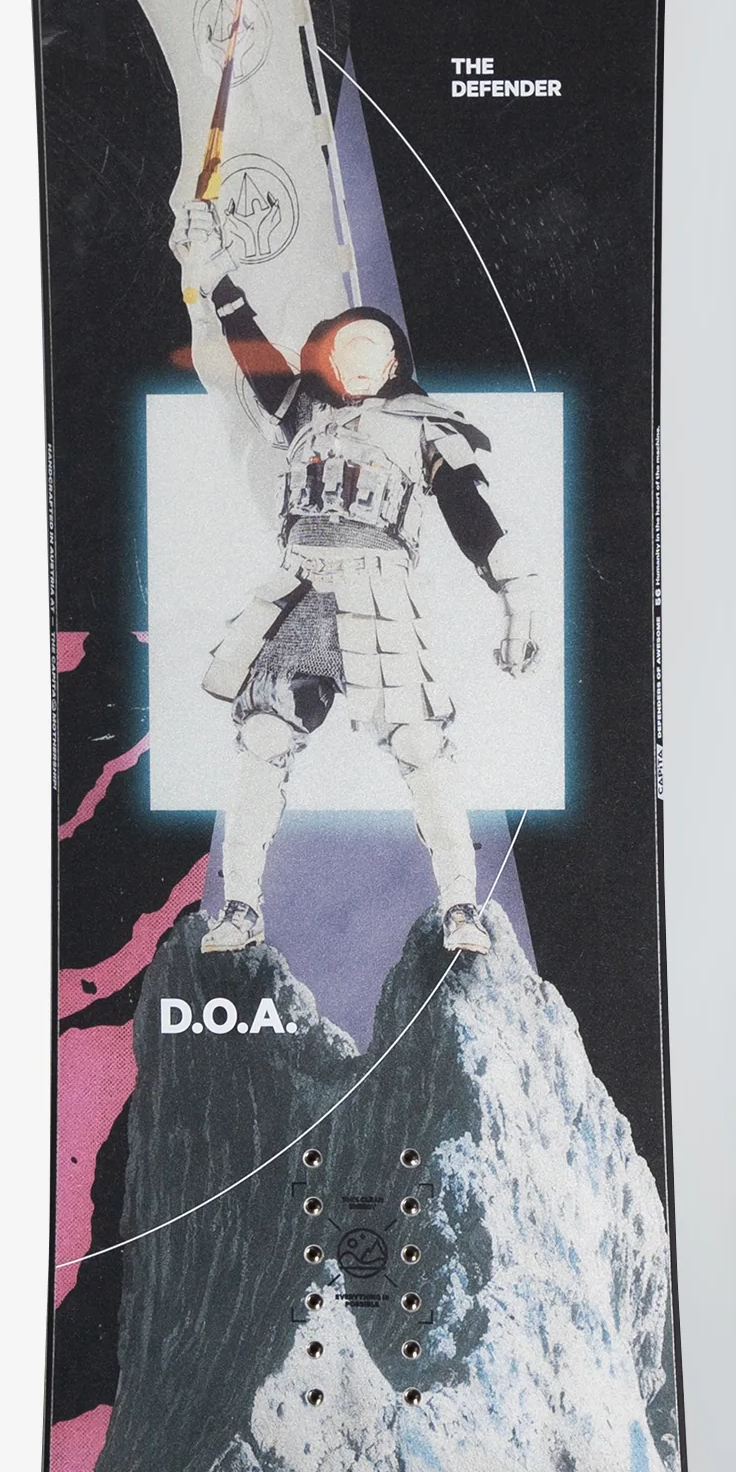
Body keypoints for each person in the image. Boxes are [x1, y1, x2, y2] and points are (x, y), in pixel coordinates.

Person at [171, 200, 538, 959]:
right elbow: (254, 352)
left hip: (381, 600)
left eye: (373, 345)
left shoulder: (425, 426)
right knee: (262, 738)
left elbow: (472, 514)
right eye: (345, 345)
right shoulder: (303, 414)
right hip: (301, 593)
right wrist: (216, 275)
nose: (357, 355)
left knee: (422, 745)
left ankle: (461, 907)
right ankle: (240, 908)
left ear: (395, 361)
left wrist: (518, 595)